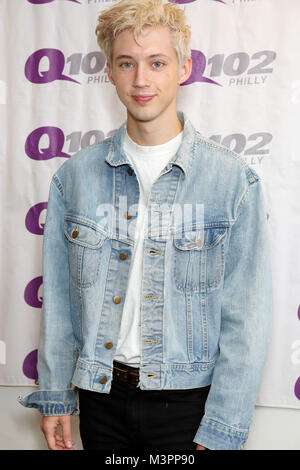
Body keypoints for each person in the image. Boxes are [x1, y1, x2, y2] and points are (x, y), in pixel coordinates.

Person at [18, 0, 273, 451]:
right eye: (126, 63)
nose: (141, 80)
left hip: (190, 405)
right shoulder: (73, 178)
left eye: (157, 62)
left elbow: (246, 318)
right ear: (110, 72)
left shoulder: (234, 181)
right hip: (100, 398)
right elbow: (57, 301)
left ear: (183, 67)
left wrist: (223, 428)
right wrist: (56, 397)